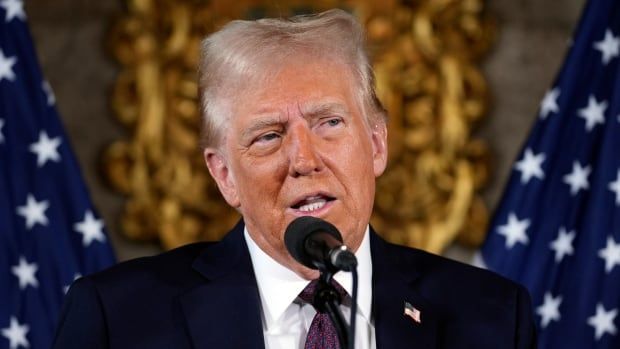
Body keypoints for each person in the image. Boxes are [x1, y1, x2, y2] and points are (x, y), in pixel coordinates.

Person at [53, 9, 536, 349]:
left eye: (329, 123)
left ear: (377, 144)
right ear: (225, 176)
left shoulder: (490, 316)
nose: (303, 159)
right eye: (267, 136)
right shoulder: (117, 319)